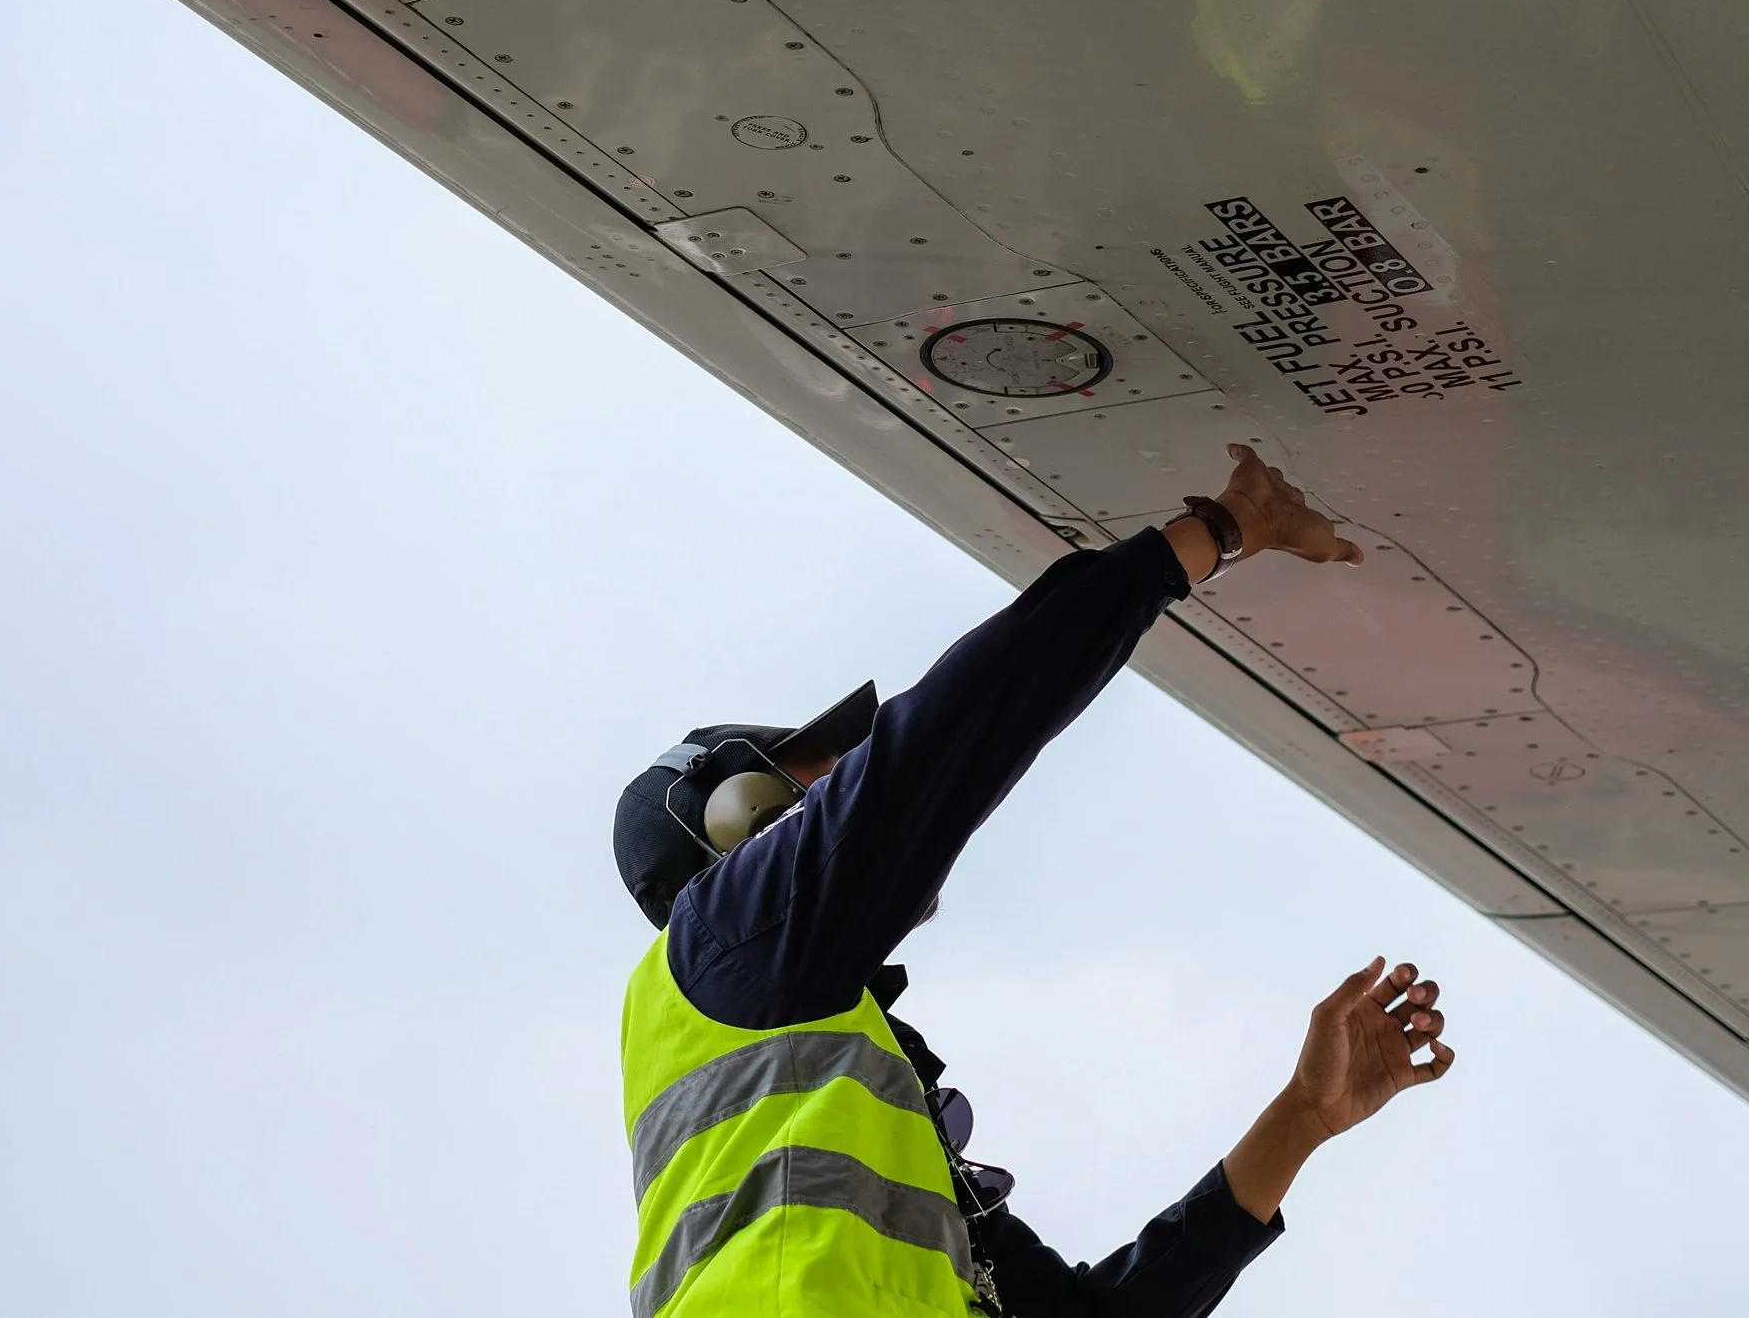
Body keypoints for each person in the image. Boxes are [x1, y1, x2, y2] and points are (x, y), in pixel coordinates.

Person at [611, 444, 1455, 1318]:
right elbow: (960, 727)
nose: (847, 780)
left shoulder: (829, 1085)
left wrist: (1301, 1118)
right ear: (737, 821)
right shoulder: (724, 941)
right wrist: (1217, 532)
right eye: (823, 772)